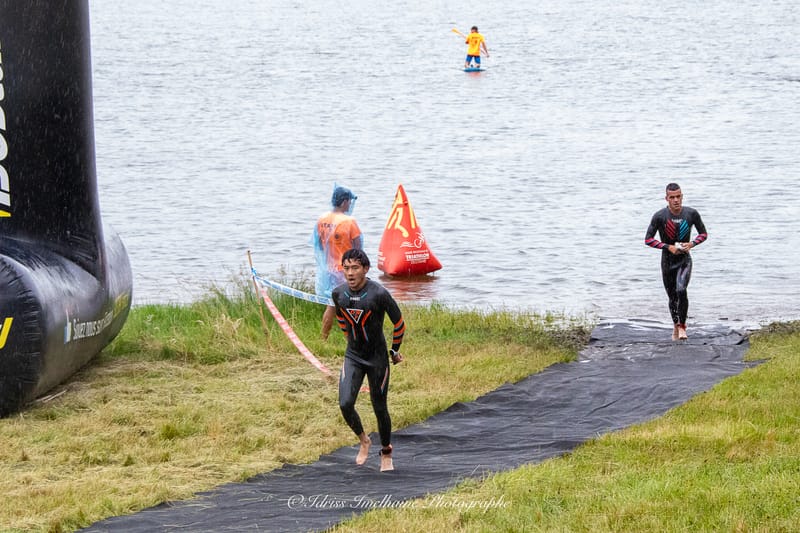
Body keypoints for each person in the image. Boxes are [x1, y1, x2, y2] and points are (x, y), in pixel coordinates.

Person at [332, 249, 405, 472]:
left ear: (365, 269)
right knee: (345, 404)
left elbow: (399, 323)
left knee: (379, 407)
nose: (350, 273)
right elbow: (341, 318)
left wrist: (394, 352)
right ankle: (364, 439)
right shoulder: (339, 294)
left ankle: (386, 451)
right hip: (353, 356)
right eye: (346, 268)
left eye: (355, 268)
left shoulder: (379, 294)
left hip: (377, 359)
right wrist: (350, 341)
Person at [645, 183, 708, 340]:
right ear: (666, 198)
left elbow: (704, 234)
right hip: (667, 261)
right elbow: (648, 239)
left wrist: (692, 244)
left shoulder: (691, 213)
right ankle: (675, 325)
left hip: (684, 260)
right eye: (672, 197)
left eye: (678, 196)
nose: (675, 200)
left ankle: (682, 327)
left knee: (681, 290)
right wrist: (667, 247)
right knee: (672, 296)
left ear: (682, 196)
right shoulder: (659, 216)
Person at [313, 185, 362, 340]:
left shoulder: (322, 219)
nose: (349, 205)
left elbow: (319, 245)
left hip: (328, 269)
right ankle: (354, 339)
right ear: (344, 202)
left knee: (332, 304)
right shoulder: (349, 221)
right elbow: (358, 248)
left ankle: (323, 338)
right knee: (353, 303)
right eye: (348, 202)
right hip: (346, 270)